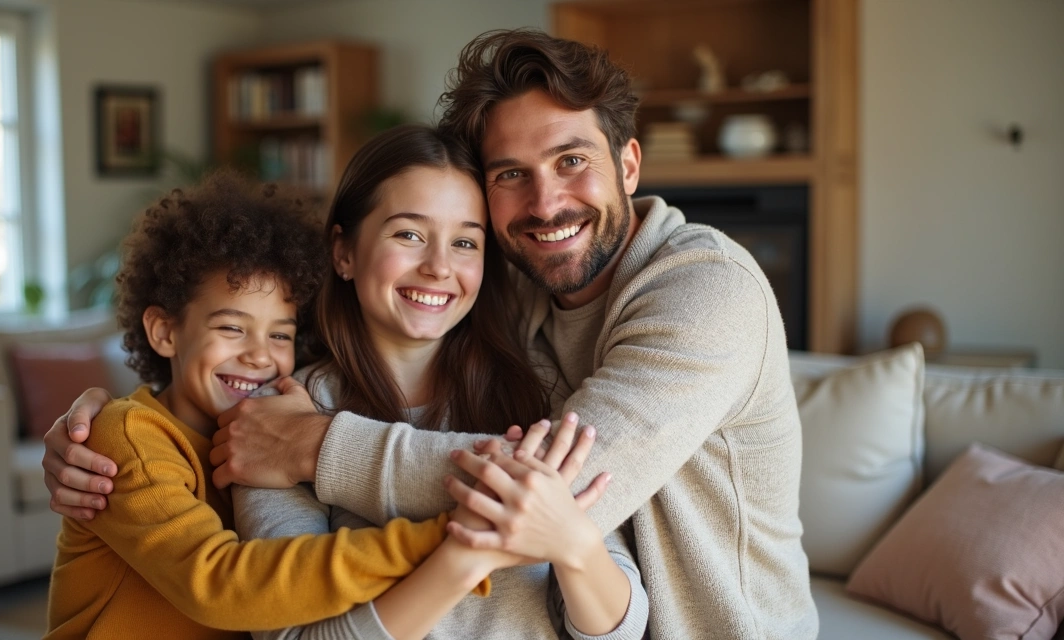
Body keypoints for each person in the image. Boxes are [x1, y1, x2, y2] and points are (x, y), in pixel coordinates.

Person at [44, 29, 818, 640]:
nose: (545, 203)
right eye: (511, 174)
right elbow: (245, 347)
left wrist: (320, 448)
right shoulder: (521, 307)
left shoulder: (701, 293)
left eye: (571, 160)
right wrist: (101, 421)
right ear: (342, 251)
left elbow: (572, 504)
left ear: (629, 163)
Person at [43, 172, 603, 639]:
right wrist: (451, 535)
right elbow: (223, 587)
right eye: (231, 328)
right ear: (164, 332)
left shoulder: (275, 416)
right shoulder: (129, 439)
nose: (260, 357)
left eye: (280, 335)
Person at [237, 124, 648, 639]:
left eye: (464, 242)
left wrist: (575, 544)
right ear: (344, 252)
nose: (438, 267)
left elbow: (622, 627)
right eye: (408, 234)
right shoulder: (279, 419)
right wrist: (466, 553)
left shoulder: (536, 386)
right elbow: (292, 635)